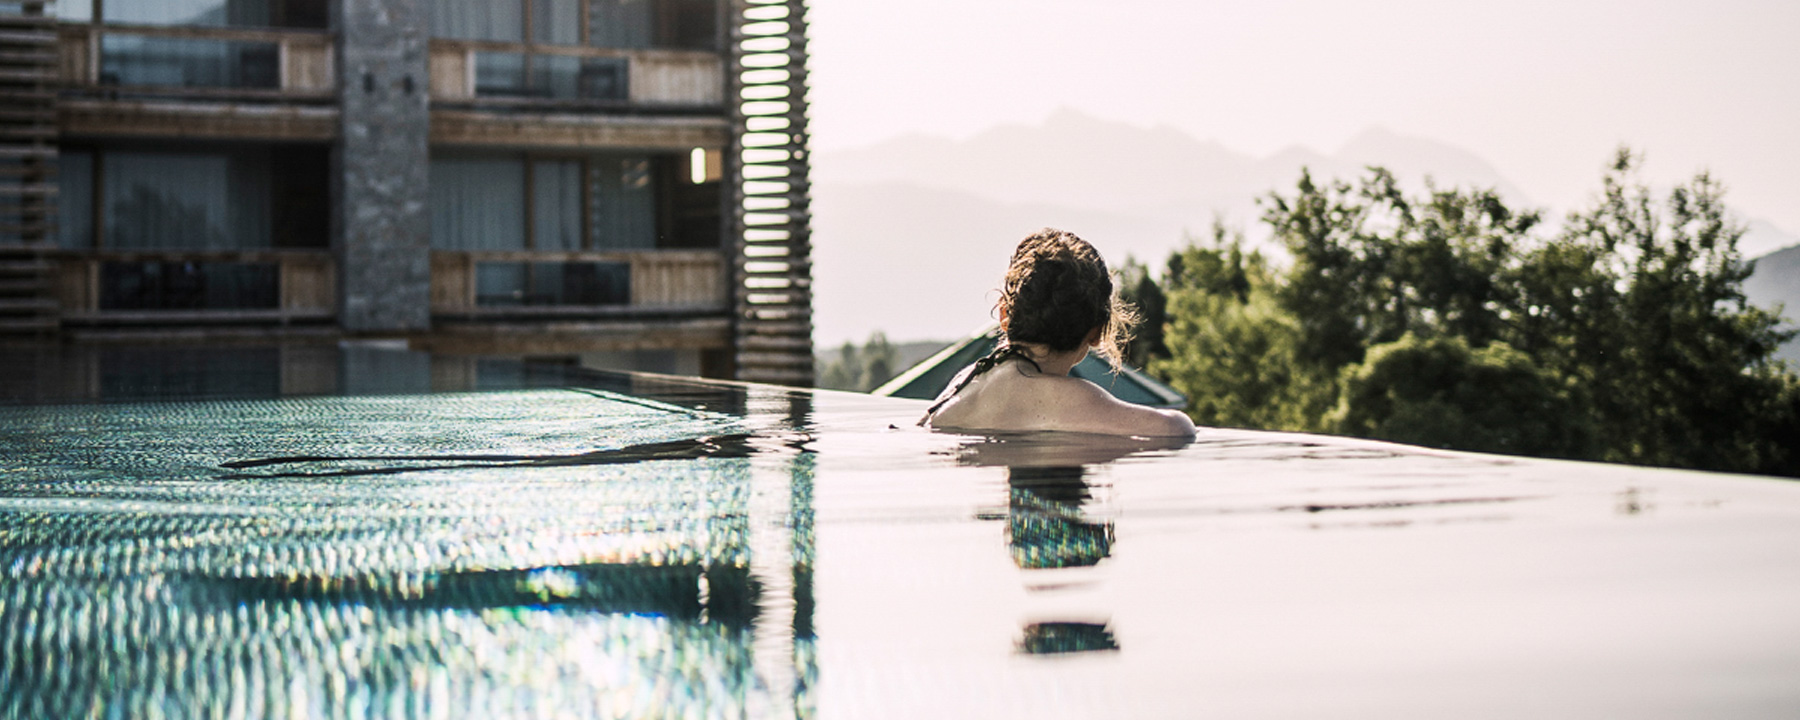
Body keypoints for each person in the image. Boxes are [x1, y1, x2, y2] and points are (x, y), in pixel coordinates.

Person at [921, 228, 1197, 438]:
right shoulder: (1070, 399)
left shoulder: (963, 384)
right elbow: (1176, 428)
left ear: (1004, 314)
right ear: (1098, 333)